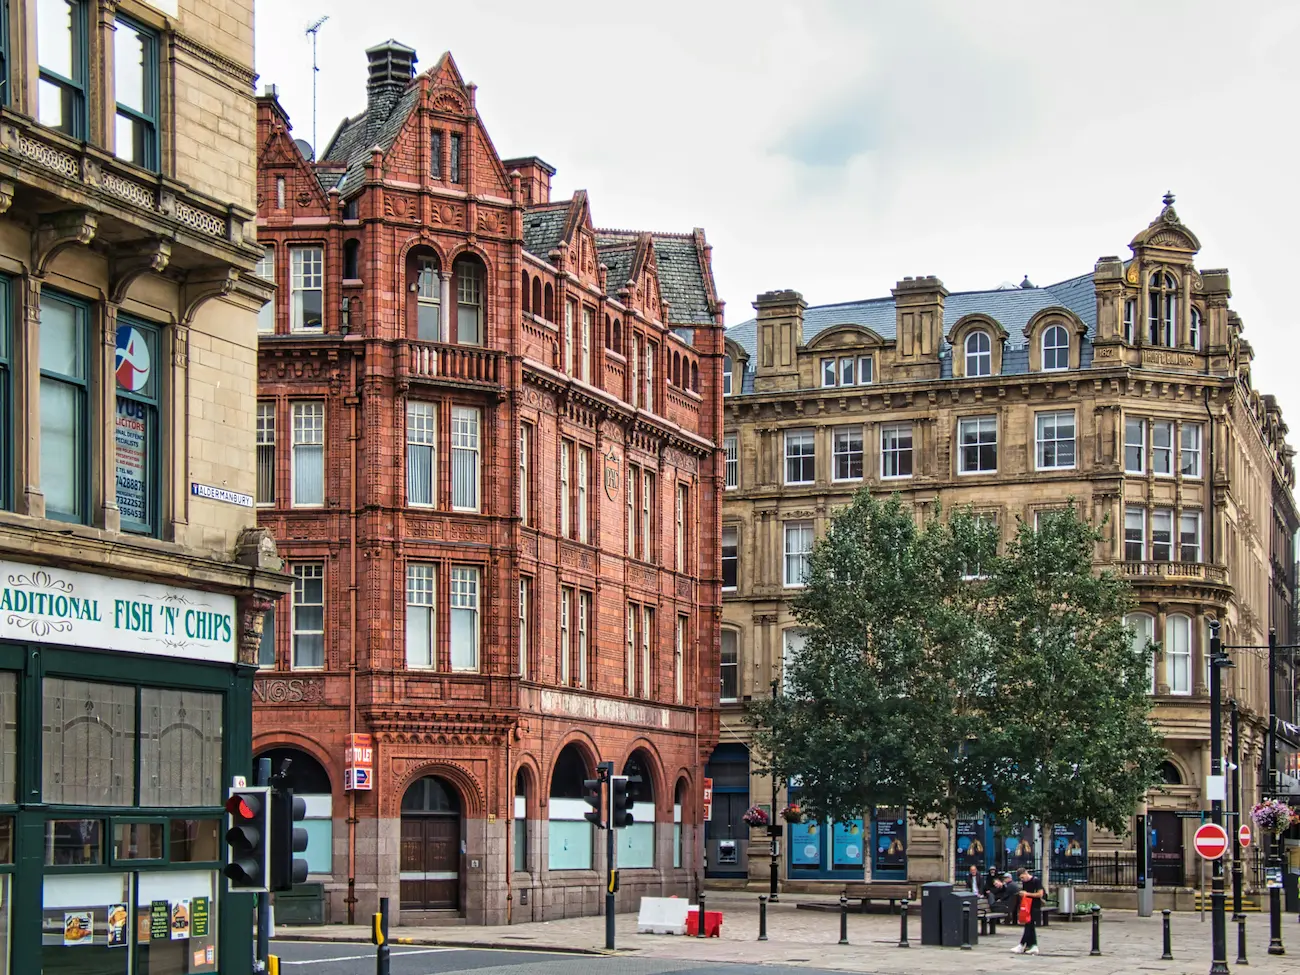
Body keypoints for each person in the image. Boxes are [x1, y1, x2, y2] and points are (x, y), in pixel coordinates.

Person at [1010, 866, 1044, 955]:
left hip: (1035, 905)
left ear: (1026, 873)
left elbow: (1040, 894)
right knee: (1030, 926)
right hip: (1027, 905)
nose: (1022, 879)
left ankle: (1021, 945)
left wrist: (1027, 894)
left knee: (1029, 925)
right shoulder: (1025, 883)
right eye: (1020, 878)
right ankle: (1033, 945)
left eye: (1022, 877)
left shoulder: (1036, 880)